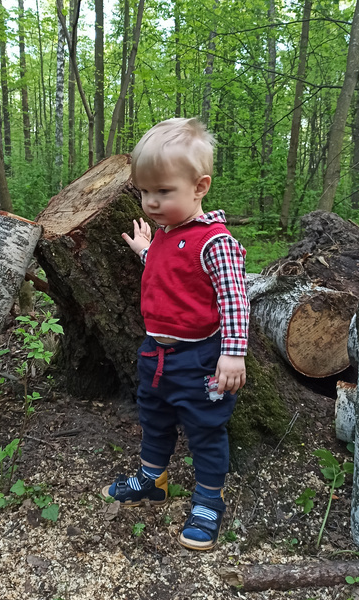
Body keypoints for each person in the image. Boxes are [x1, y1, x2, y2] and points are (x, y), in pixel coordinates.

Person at [101, 117, 249, 551]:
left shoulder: (214, 241)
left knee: (205, 428)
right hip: (156, 355)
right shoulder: (167, 234)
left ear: (199, 186)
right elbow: (172, 278)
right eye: (145, 192)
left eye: (163, 192)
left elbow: (234, 299)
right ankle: (153, 479)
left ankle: (207, 500)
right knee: (154, 418)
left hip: (200, 358)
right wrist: (147, 251)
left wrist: (233, 354)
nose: (150, 202)